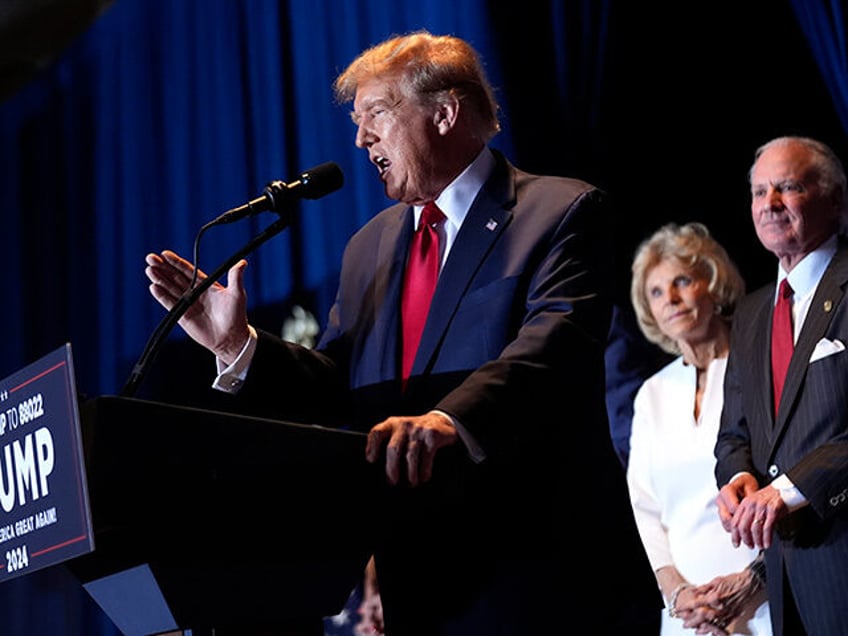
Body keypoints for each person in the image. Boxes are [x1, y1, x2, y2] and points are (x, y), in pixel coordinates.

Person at [144, 31, 640, 634]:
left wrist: (448, 420)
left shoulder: (560, 211)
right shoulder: (368, 248)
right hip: (421, 585)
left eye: (376, 114)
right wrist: (237, 346)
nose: (360, 139)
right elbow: (335, 388)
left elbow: (552, 347)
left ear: (445, 113)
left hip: (541, 577)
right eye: (358, 122)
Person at [714, 135, 848, 636]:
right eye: (758, 191)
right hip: (785, 575)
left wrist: (785, 491)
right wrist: (736, 480)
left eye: (787, 187)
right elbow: (734, 434)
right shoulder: (751, 313)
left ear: (835, 198)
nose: (768, 204)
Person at [627, 222, 772, 635]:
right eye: (656, 292)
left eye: (682, 281)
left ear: (712, 283)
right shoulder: (651, 394)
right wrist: (678, 595)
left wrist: (753, 583)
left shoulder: (762, 367)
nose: (670, 299)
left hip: (764, 601)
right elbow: (644, 511)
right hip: (687, 618)